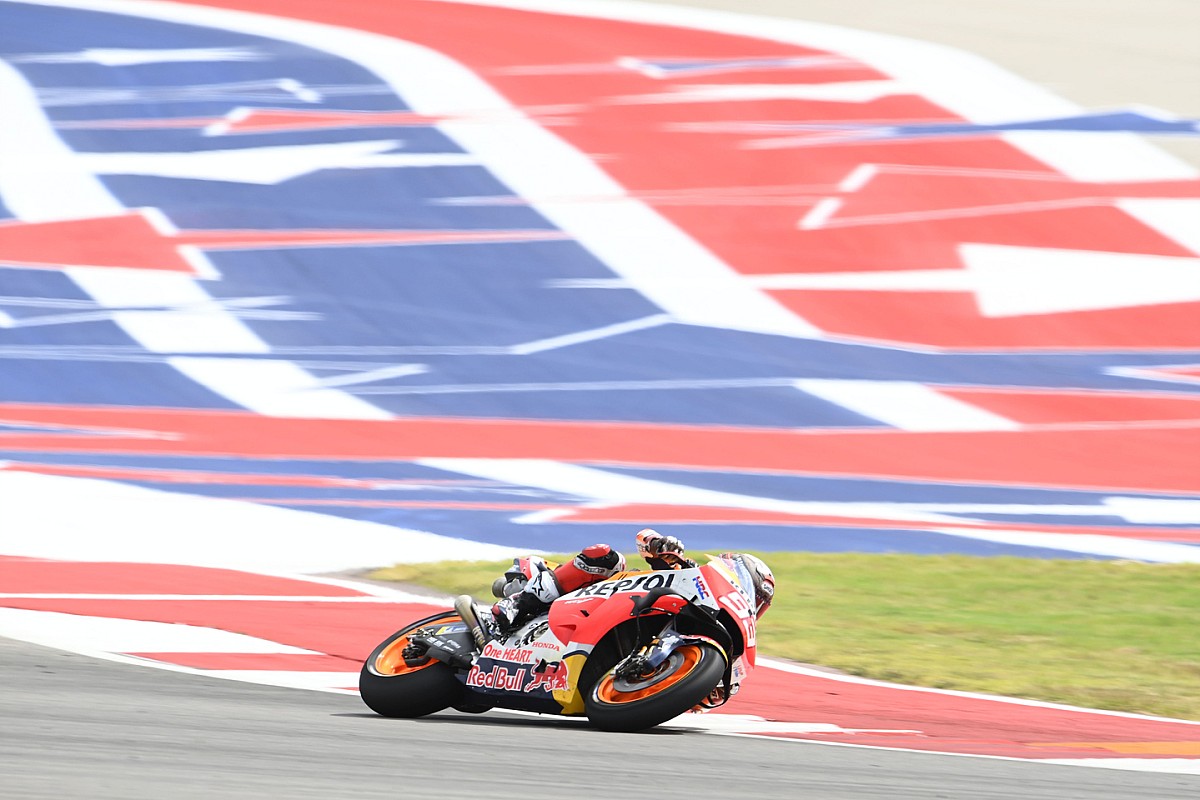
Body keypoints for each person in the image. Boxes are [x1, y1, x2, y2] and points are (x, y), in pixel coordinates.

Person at [454, 528, 692, 646]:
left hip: (610, 633)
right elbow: (644, 536)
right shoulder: (647, 575)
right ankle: (510, 608)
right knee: (606, 556)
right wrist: (661, 548)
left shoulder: (686, 591)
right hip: (589, 601)